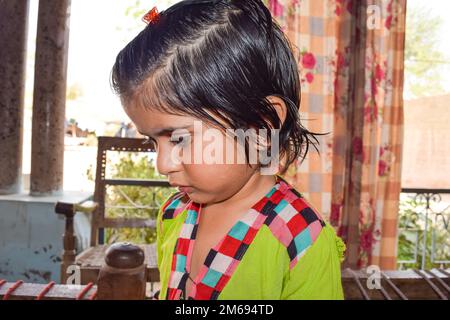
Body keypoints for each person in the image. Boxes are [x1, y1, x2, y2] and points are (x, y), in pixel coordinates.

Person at [111, 0, 345, 300]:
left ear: (260, 128)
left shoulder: (301, 240)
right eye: (153, 141)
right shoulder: (174, 214)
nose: (163, 163)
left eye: (179, 138)